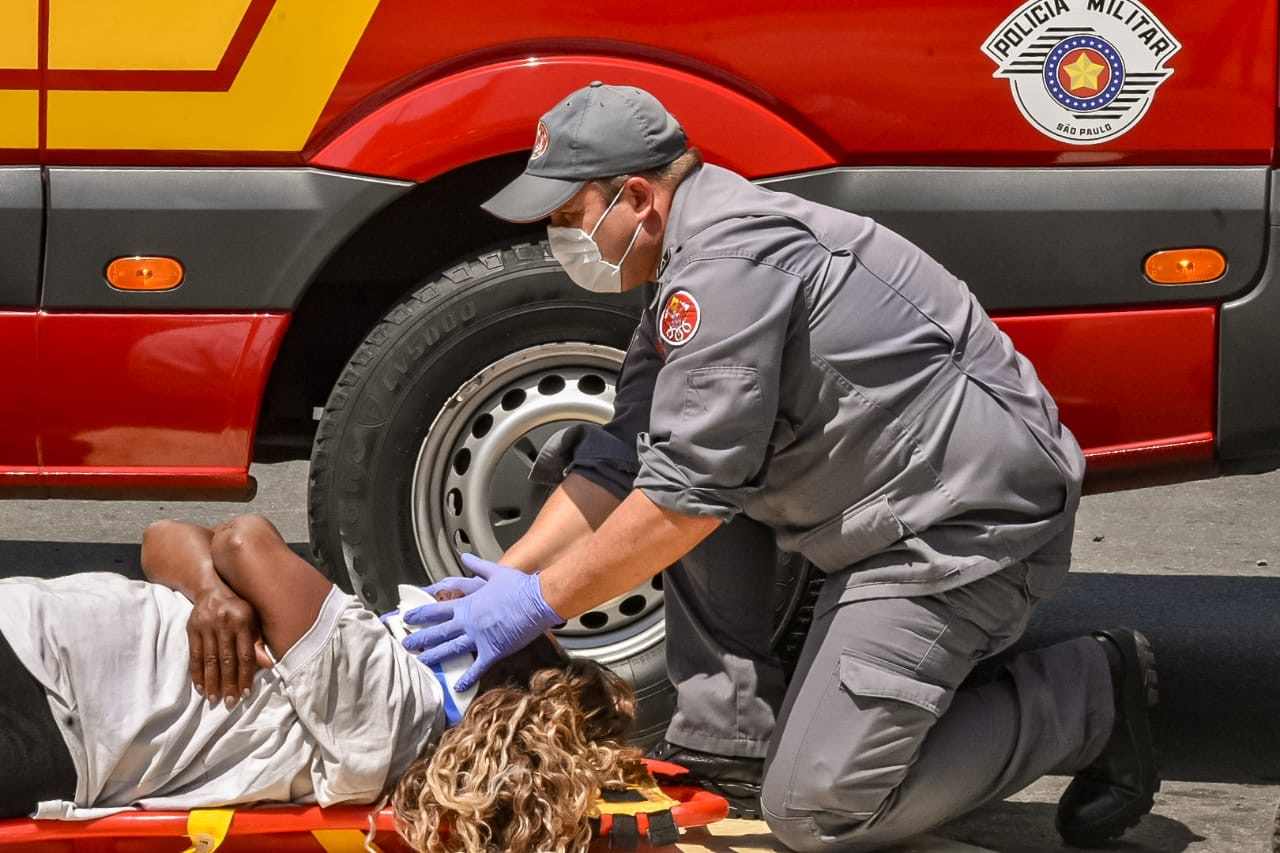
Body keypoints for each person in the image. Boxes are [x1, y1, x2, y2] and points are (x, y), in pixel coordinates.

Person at [401, 81, 1161, 851]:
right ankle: (731, 737)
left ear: (635, 195)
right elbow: (623, 452)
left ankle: (1091, 692)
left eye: (570, 217)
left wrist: (536, 604)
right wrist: (498, 581)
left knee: (819, 809)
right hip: (873, 503)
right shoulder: (686, 256)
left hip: (958, 532)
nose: (563, 239)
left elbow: (684, 500)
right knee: (598, 460)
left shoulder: (728, 266)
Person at [0, 514, 646, 853]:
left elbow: (243, 539)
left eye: (489, 604)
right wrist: (210, 592)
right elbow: (165, 538)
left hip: (46, 685)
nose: (473, 590)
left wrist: (221, 582)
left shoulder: (391, 697)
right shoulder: (381, 704)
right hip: (49, 685)